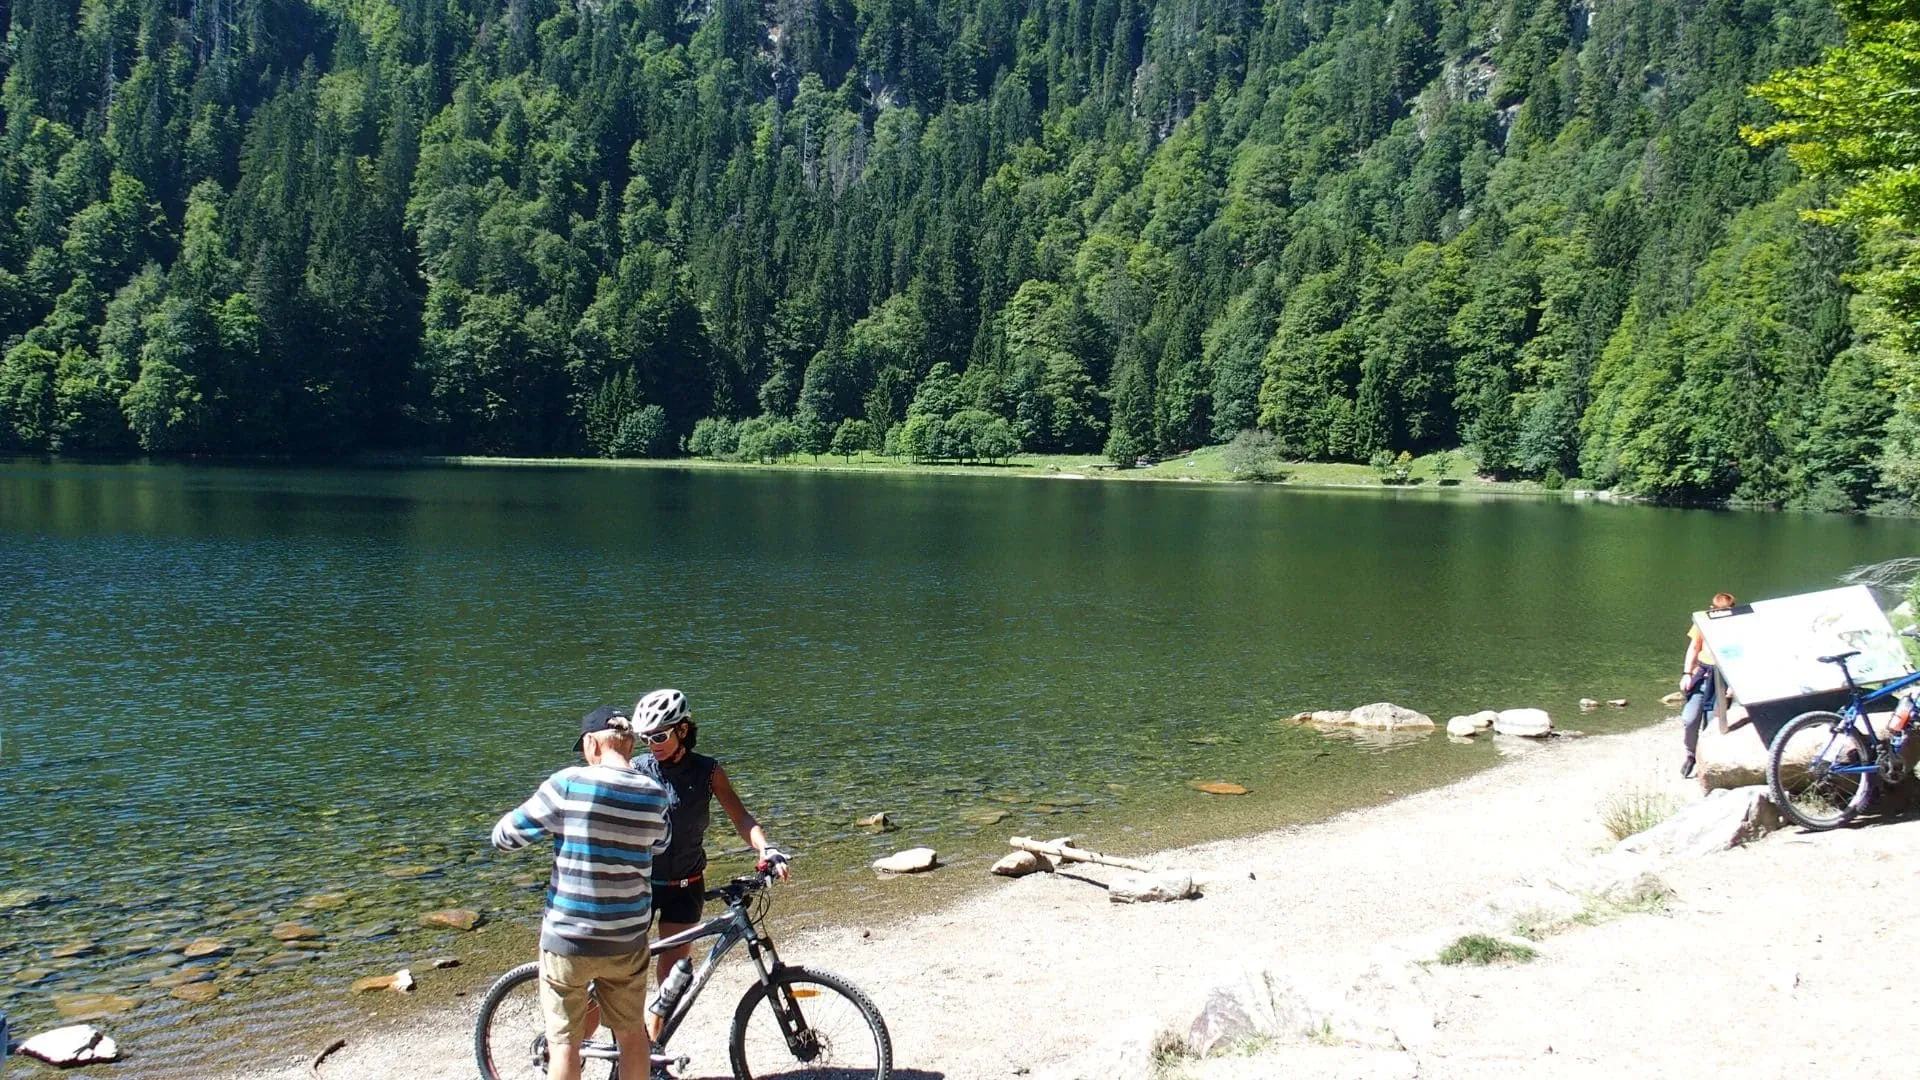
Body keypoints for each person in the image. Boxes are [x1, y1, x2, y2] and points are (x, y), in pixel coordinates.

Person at [492, 705, 672, 1080]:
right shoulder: (654, 794)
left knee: (564, 1043)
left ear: (592, 743)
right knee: (631, 1036)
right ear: (629, 744)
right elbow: (661, 844)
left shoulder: (568, 783)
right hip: (626, 938)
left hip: (569, 938)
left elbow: (505, 837)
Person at [631, 688, 788, 1040]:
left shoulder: (708, 770)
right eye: (646, 738)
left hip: (686, 886)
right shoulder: (636, 770)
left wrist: (765, 849)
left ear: (682, 730)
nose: (652, 745)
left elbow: (741, 818)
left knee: (672, 978)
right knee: (623, 973)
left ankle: (651, 1051)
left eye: (659, 736)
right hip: (639, 885)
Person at [1679, 592, 1738, 778]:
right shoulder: (1702, 623)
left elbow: (1739, 657)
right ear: (1712, 609)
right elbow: (1694, 648)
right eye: (1718, 610)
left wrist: (1733, 686)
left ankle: (1704, 761)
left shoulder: (1737, 626)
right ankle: (1690, 754)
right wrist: (1687, 673)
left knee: (1712, 723)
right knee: (1689, 719)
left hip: (1723, 678)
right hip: (1703, 674)